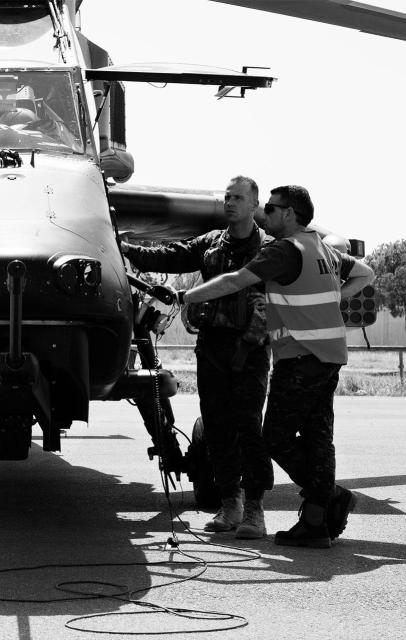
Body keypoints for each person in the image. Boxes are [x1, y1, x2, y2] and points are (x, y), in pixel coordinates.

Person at [179, 185, 375, 548]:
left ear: (289, 214)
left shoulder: (284, 250)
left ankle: (329, 495)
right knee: (319, 441)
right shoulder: (321, 248)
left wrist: (186, 295)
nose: (263, 214)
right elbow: (365, 273)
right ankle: (316, 525)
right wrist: (335, 297)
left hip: (299, 358)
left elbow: (237, 280)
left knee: (275, 439)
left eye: (270, 208)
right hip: (329, 356)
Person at [120, 176, 273, 539]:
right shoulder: (210, 244)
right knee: (217, 426)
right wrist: (124, 248)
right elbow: (170, 256)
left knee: (249, 428)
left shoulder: (270, 249)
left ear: (255, 205)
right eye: (227, 197)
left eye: (238, 198)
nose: (230, 203)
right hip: (212, 348)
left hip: (249, 350)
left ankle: (255, 510)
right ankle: (230, 503)